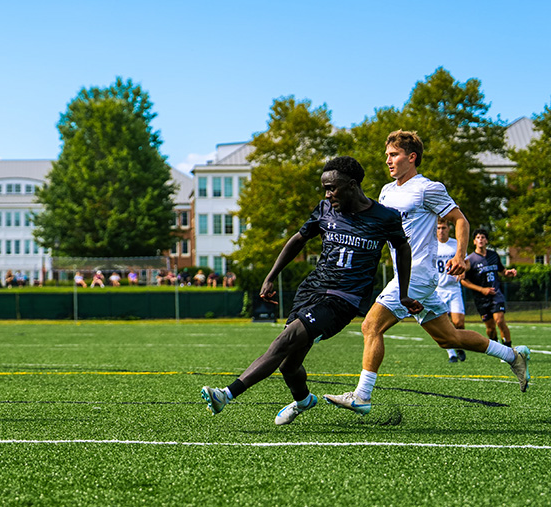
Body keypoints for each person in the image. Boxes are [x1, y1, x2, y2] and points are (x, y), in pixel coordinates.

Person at [200, 156, 419, 425]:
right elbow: (298, 239)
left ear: (352, 185)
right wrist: (271, 276)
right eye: (325, 188)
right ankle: (304, 400)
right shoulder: (325, 209)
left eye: (332, 188)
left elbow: (403, 249)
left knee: (284, 340)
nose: (327, 194)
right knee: (288, 364)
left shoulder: (385, 217)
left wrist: (404, 293)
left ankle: (226, 394)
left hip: (343, 300)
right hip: (312, 290)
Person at [324, 131, 530, 415]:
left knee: (371, 326)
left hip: (419, 274)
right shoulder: (387, 191)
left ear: (412, 157)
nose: (388, 160)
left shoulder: (428, 188)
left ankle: (362, 396)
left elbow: (460, 221)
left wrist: (460, 256)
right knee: (450, 339)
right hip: (408, 276)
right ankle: (513, 355)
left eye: (394, 155)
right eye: (387, 155)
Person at [460, 229, 518, 348]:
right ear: (474, 241)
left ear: (486, 240)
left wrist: (508, 273)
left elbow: (502, 271)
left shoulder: (493, 255)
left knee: (500, 321)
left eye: (483, 237)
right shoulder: (470, 260)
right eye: (478, 237)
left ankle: (508, 349)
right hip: (481, 298)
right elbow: (463, 281)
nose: (480, 239)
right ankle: (496, 347)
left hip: (496, 294)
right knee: (490, 328)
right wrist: (482, 290)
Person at [435, 219, 467, 363]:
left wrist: (463, 270)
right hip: (437, 290)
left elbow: (466, 262)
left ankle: (459, 344)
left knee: (459, 322)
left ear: (449, 229)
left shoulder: (455, 244)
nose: (441, 231)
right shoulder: (431, 244)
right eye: (439, 228)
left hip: (454, 288)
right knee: (443, 323)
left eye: (444, 228)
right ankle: (451, 353)